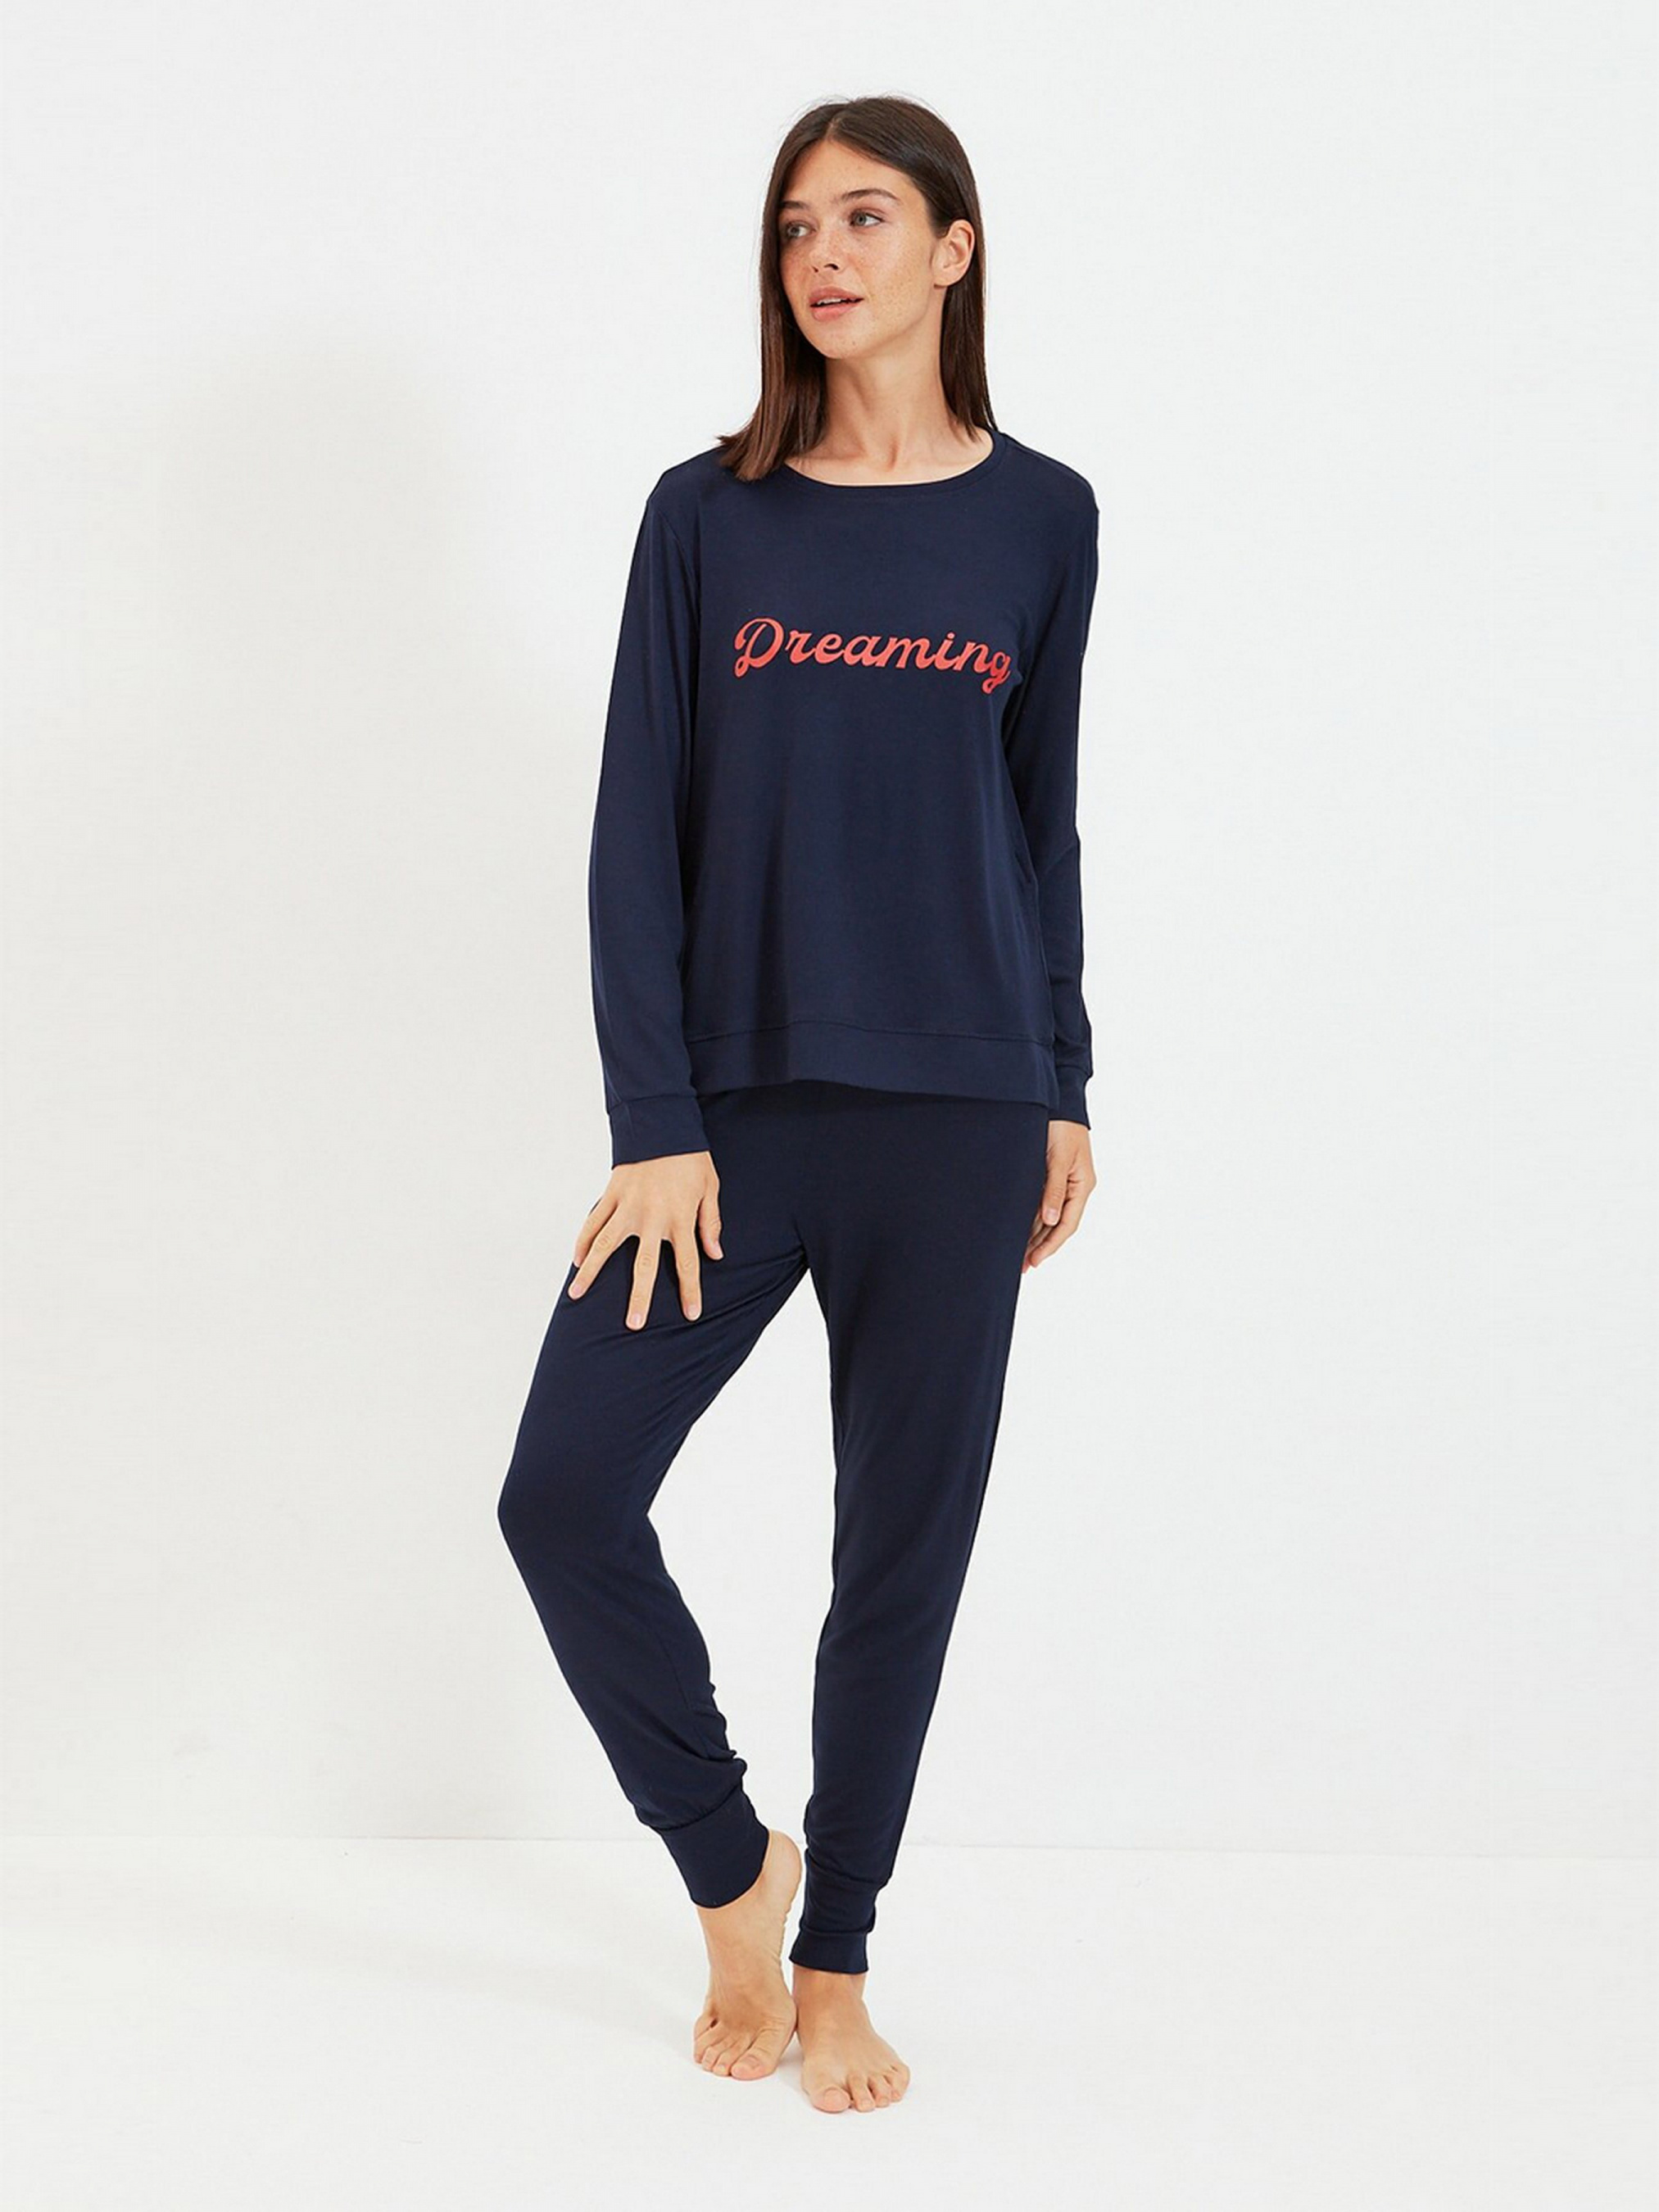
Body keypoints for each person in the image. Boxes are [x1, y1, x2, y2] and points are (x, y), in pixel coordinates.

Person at [496, 93, 1100, 2115]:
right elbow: (630, 835)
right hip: (729, 1122)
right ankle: (728, 1867)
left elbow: (1037, 823)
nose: (822, 257)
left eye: (863, 218)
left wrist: (1061, 1078)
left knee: (894, 1560)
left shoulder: (1042, 518)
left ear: (951, 249)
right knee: (561, 1495)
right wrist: (649, 1118)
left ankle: (833, 1959)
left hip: (961, 1109)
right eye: (791, 227)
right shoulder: (708, 515)